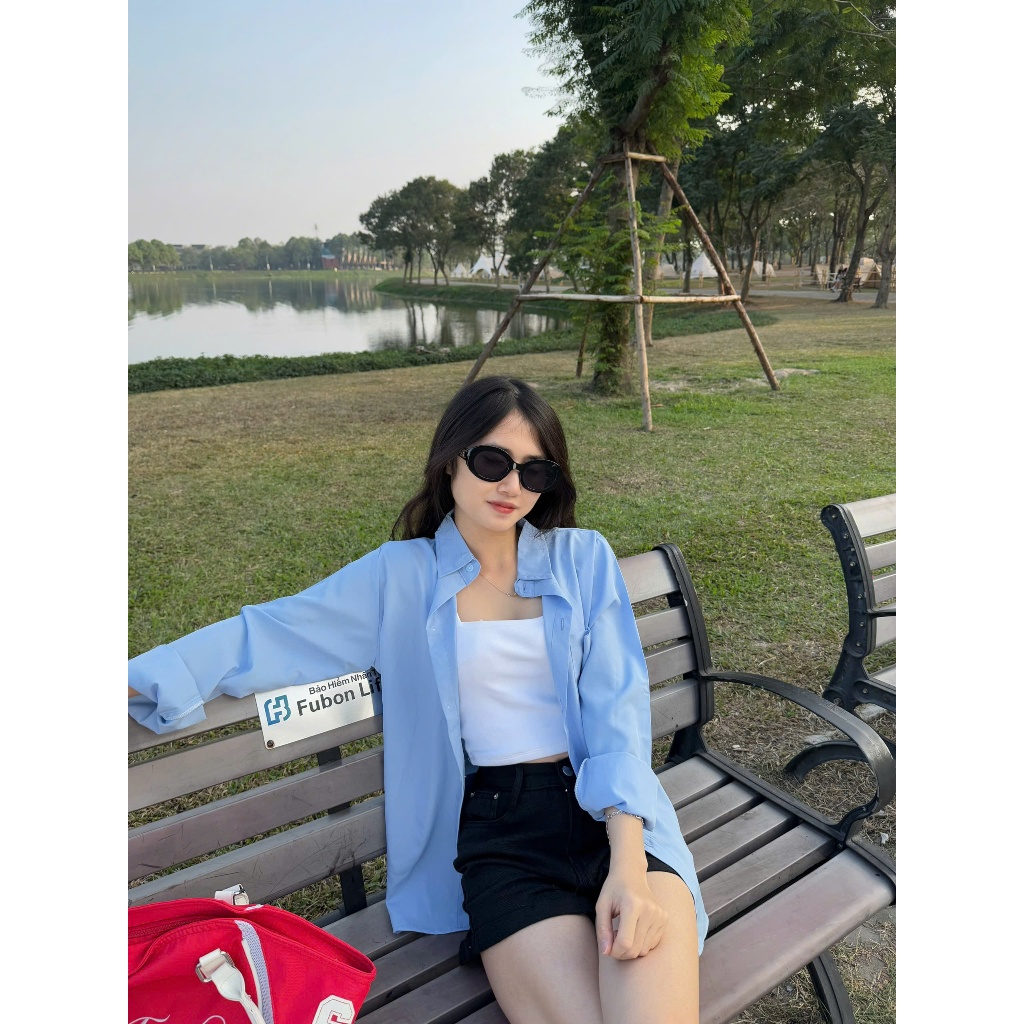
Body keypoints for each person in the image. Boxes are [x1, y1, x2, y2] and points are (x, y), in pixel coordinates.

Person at [129, 375, 706, 1024]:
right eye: (492, 461)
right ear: (450, 459)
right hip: (504, 839)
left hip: (616, 820)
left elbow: (617, 714)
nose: (511, 486)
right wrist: (137, 679)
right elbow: (267, 633)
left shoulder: (583, 559)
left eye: (534, 471)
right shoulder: (400, 576)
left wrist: (629, 866)